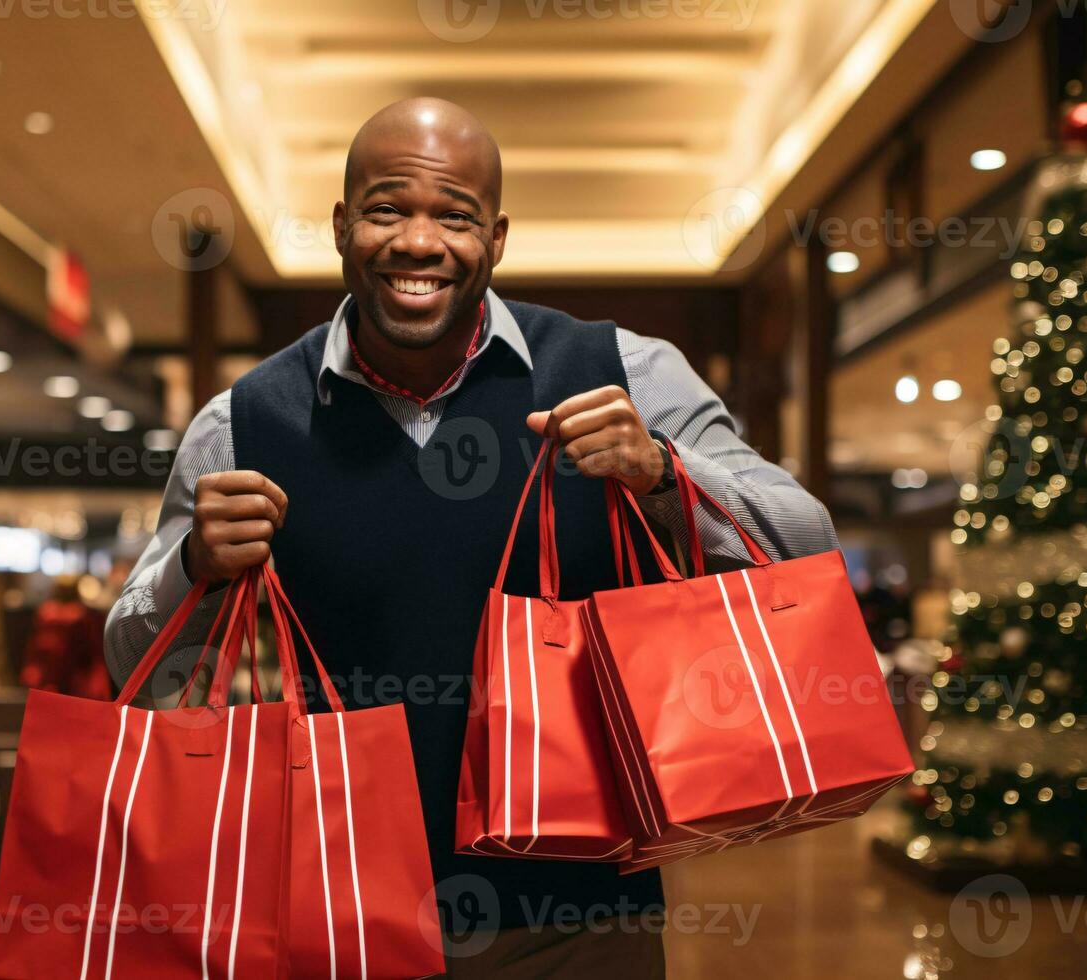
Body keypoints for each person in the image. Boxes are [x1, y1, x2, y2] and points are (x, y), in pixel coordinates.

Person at [106, 97, 837, 977]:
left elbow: (803, 546)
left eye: (452, 216)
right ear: (341, 227)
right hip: (340, 915)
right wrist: (192, 568)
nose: (418, 242)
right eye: (387, 209)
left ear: (495, 237)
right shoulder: (244, 423)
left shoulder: (627, 374)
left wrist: (662, 471)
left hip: (582, 917)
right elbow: (129, 659)